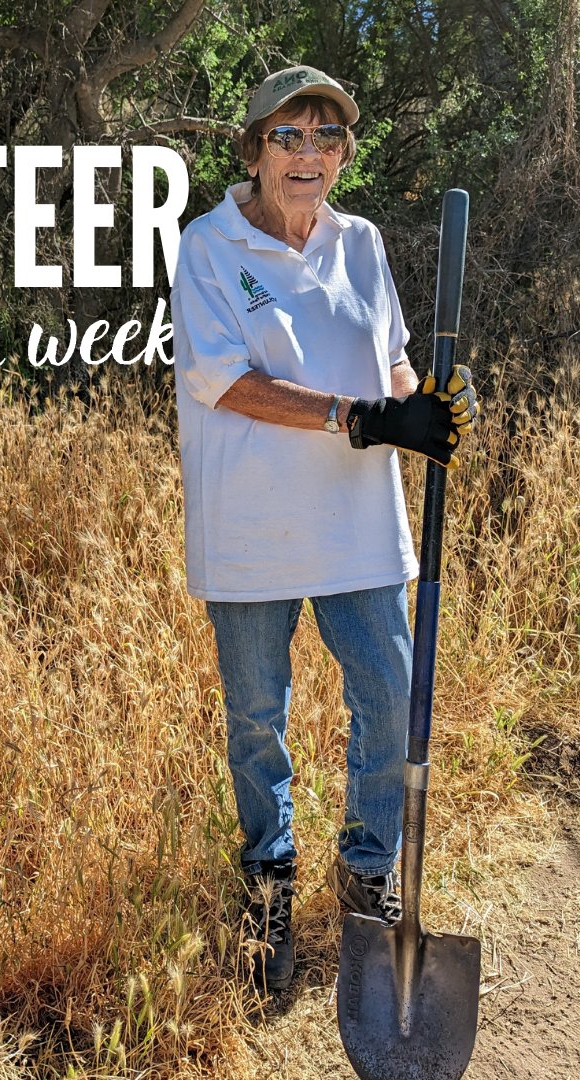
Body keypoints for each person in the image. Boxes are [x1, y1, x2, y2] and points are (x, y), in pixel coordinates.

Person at [170, 65, 477, 991]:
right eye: (289, 136)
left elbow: (386, 365)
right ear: (254, 149)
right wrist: (364, 418)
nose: (308, 155)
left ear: (344, 154)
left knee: (387, 696)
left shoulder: (361, 241)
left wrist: (421, 403)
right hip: (249, 530)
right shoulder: (209, 246)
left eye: (327, 138)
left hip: (359, 525)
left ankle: (368, 869)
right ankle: (268, 876)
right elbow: (226, 381)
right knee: (258, 720)